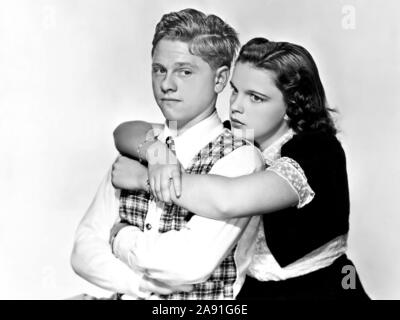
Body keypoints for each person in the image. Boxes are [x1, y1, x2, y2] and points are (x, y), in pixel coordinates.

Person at [111, 38, 370, 300]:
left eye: (256, 98)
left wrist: (144, 179)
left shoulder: (318, 150)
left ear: (292, 105)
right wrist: (157, 154)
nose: (236, 106)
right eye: (235, 90)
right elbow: (126, 131)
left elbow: (228, 199)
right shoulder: (238, 136)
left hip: (320, 292)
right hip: (251, 291)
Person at [71, 8, 264, 300]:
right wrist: (136, 285)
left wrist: (120, 236)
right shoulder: (142, 145)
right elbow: (83, 248)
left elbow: (187, 265)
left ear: (220, 79)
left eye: (184, 71)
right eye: (159, 69)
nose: (166, 84)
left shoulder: (240, 157)